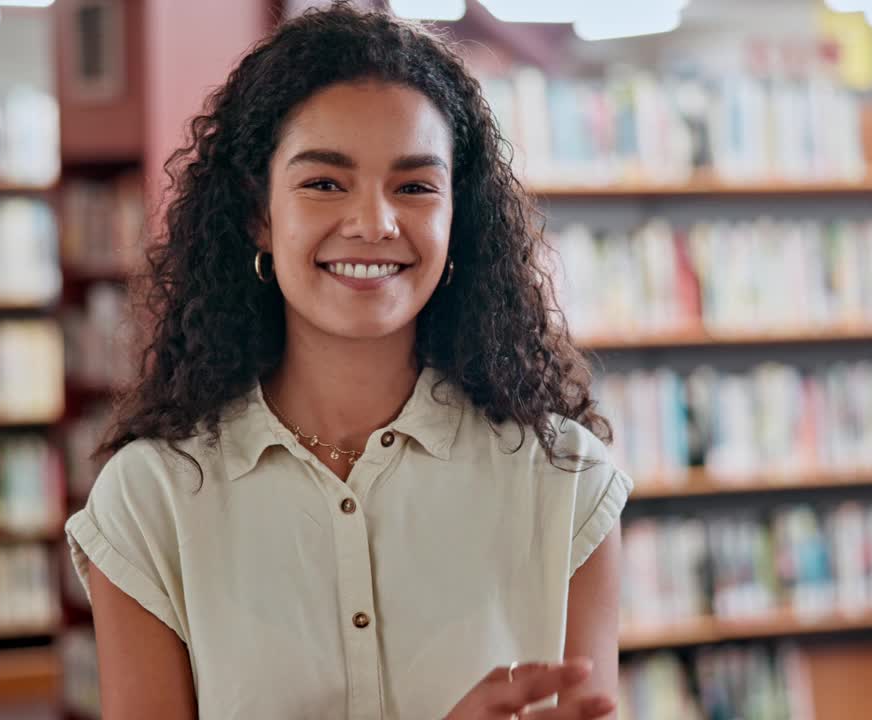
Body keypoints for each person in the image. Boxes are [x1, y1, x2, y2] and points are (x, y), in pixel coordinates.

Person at [64, 3, 631, 718]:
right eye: (325, 183)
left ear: (461, 220)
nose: (374, 223)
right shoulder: (150, 501)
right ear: (258, 215)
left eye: (416, 186)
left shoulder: (566, 484)